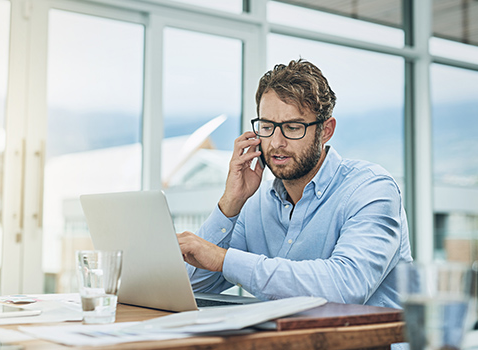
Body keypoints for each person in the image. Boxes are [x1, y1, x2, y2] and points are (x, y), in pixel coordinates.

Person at [177, 58, 413, 308]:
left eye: (292, 127)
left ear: (326, 131)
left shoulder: (372, 190)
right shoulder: (254, 207)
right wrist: (230, 203)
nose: (276, 142)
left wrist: (225, 259)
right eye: (267, 126)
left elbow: (345, 288)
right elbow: (190, 286)